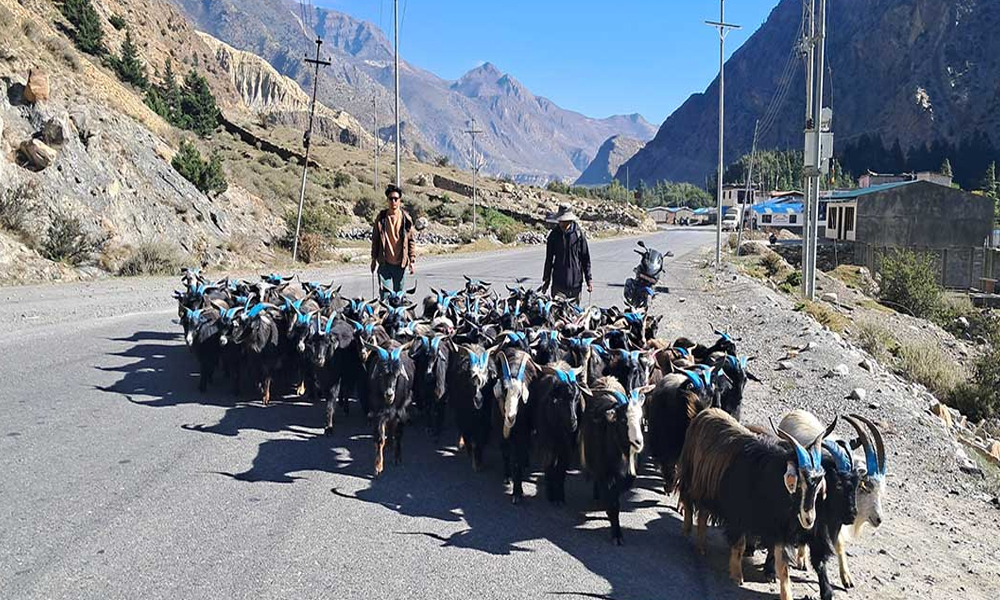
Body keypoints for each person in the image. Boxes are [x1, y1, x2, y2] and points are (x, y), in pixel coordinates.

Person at [370, 184, 416, 298]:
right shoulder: (381, 218)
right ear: (387, 200)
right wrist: (373, 259)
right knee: (385, 296)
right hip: (384, 263)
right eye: (391, 198)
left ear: (400, 201)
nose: (393, 201)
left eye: (396, 199)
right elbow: (375, 240)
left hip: (400, 264)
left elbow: (411, 241)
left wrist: (412, 261)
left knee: (398, 297)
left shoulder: (406, 219)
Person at [541, 204, 593, 303]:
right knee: (557, 314)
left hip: (575, 285)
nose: (561, 224)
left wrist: (589, 280)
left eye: (564, 222)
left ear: (570, 220)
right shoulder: (553, 236)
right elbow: (549, 259)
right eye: (560, 221)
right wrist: (546, 280)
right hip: (558, 285)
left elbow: (585, 259)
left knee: (574, 315)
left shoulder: (578, 235)